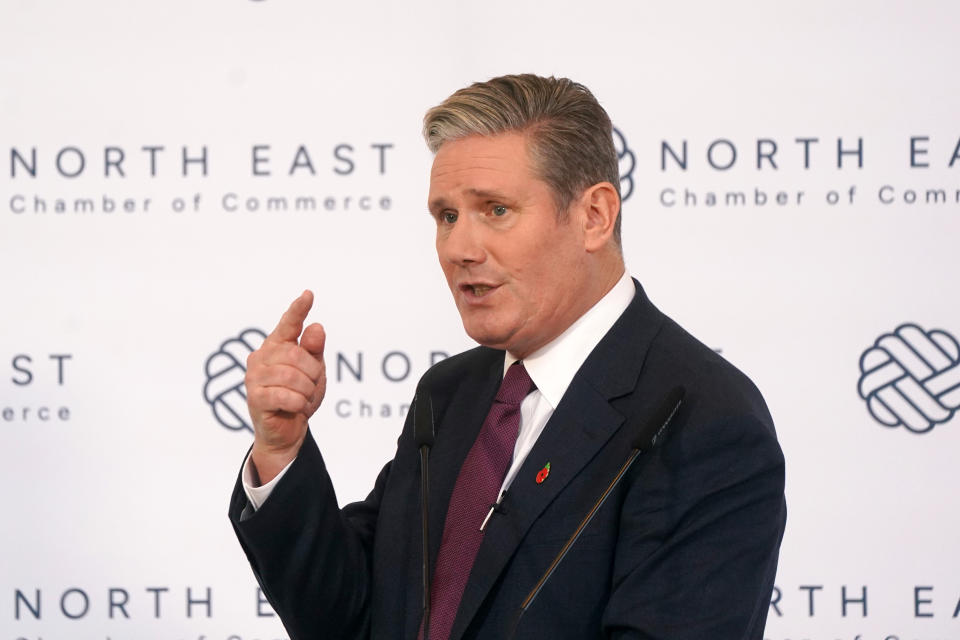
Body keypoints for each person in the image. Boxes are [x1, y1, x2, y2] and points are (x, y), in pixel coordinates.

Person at [229, 74, 786, 640]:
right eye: (446, 217)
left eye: (495, 210)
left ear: (594, 215)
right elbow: (351, 616)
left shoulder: (704, 419)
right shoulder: (449, 394)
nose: (459, 249)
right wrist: (281, 450)